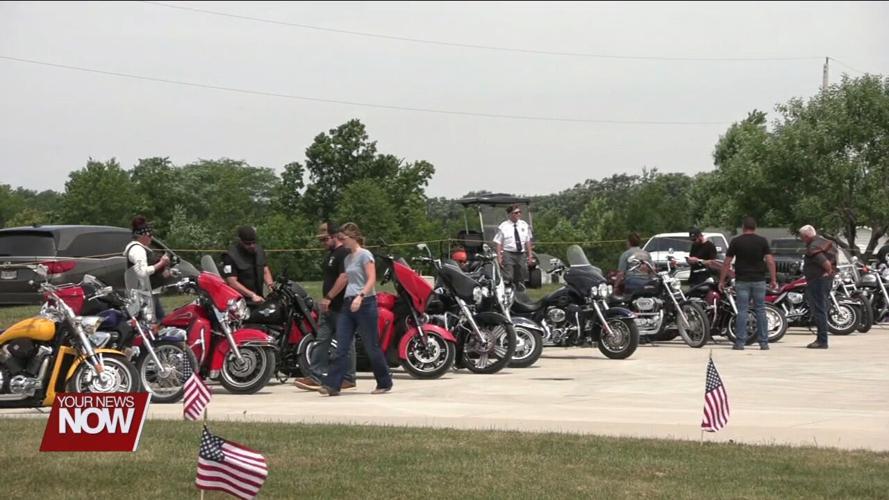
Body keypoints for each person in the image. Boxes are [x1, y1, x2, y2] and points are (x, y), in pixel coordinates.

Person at [321, 223, 393, 396]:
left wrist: (361, 297)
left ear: (352, 237)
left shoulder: (365, 255)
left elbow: (371, 279)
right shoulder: (347, 259)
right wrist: (330, 298)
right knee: (341, 346)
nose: (340, 241)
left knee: (371, 346)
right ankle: (333, 385)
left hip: (365, 303)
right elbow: (346, 279)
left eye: (343, 238)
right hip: (348, 304)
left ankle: (384, 381)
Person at [293, 223, 357, 391]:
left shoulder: (344, 253)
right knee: (321, 340)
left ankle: (348, 377)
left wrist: (329, 297)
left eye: (324, 239)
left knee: (346, 342)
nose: (322, 243)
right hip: (328, 308)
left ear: (335, 236)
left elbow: (344, 277)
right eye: (320, 240)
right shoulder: (331, 254)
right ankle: (316, 375)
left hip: (341, 305)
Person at [718, 217, 778, 351]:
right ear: (755, 227)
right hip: (759, 280)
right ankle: (763, 342)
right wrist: (773, 279)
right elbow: (770, 261)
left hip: (742, 280)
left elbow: (727, 262)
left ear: (743, 227)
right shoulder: (762, 241)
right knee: (760, 310)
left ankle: (740, 342)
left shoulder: (736, 241)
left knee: (742, 311)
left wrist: (722, 280)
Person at [123, 215, 171, 321]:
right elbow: (142, 272)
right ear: (143, 235)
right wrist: (162, 263)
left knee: (161, 321)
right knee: (157, 323)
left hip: (147, 292)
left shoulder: (137, 248)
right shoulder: (137, 250)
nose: (151, 237)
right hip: (142, 295)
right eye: (150, 235)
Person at [799, 224, 837, 349]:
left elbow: (823, 261)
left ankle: (822, 340)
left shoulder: (814, 246)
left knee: (819, 310)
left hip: (818, 281)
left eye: (802, 237)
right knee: (822, 308)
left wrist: (828, 271)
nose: (801, 239)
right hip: (825, 280)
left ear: (807, 236)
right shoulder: (824, 242)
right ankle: (822, 339)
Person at [221, 226, 273, 304]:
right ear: (240, 241)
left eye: (253, 242)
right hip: (239, 302)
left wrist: (271, 287)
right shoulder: (230, 256)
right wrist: (252, 295)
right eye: (248, 243)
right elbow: (232, 282)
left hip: (259, 298)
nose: (252, 245)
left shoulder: (259, 251)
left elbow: (265, 271)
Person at [494, 204, 533, 290]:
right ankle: (508, 293)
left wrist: (530, 255)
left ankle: (520, 294)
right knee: (509, 276)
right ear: (510, 214)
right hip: (508, 254)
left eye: (520, 212)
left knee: (521, 275)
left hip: (521, 254)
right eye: (516, 213)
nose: (518, 214)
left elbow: (528, 241)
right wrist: (499, 257)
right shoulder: (504, 226)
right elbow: (498, 242)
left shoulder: (524, 225)